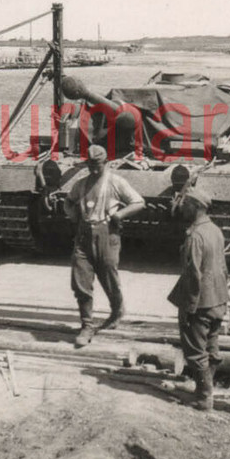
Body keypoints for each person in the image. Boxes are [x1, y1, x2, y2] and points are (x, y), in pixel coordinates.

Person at [65, 145, 146, 347]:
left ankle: (117, 309)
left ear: (106, 163)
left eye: (98, 166)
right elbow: (68, 201)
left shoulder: (116, 182)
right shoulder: (80, 184)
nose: (93, 170)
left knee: (109, 276)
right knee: (80, 281)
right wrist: (73, 215)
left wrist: (119, 214)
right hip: (83, 235)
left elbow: (138, 202)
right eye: (90, 165)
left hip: (107, 233)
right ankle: (87, 325)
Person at [167, 186, 229, 410]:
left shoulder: (195, 236)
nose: (182, 207)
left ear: (197, 207)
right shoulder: (215, 230)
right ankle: (206, 388)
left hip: (200, 302)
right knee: (211, 345)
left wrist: (187, 307)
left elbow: (194, 274)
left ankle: (204, 396)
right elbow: (222, 267)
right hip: (218, 299)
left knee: (194, 350)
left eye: (186, 204)